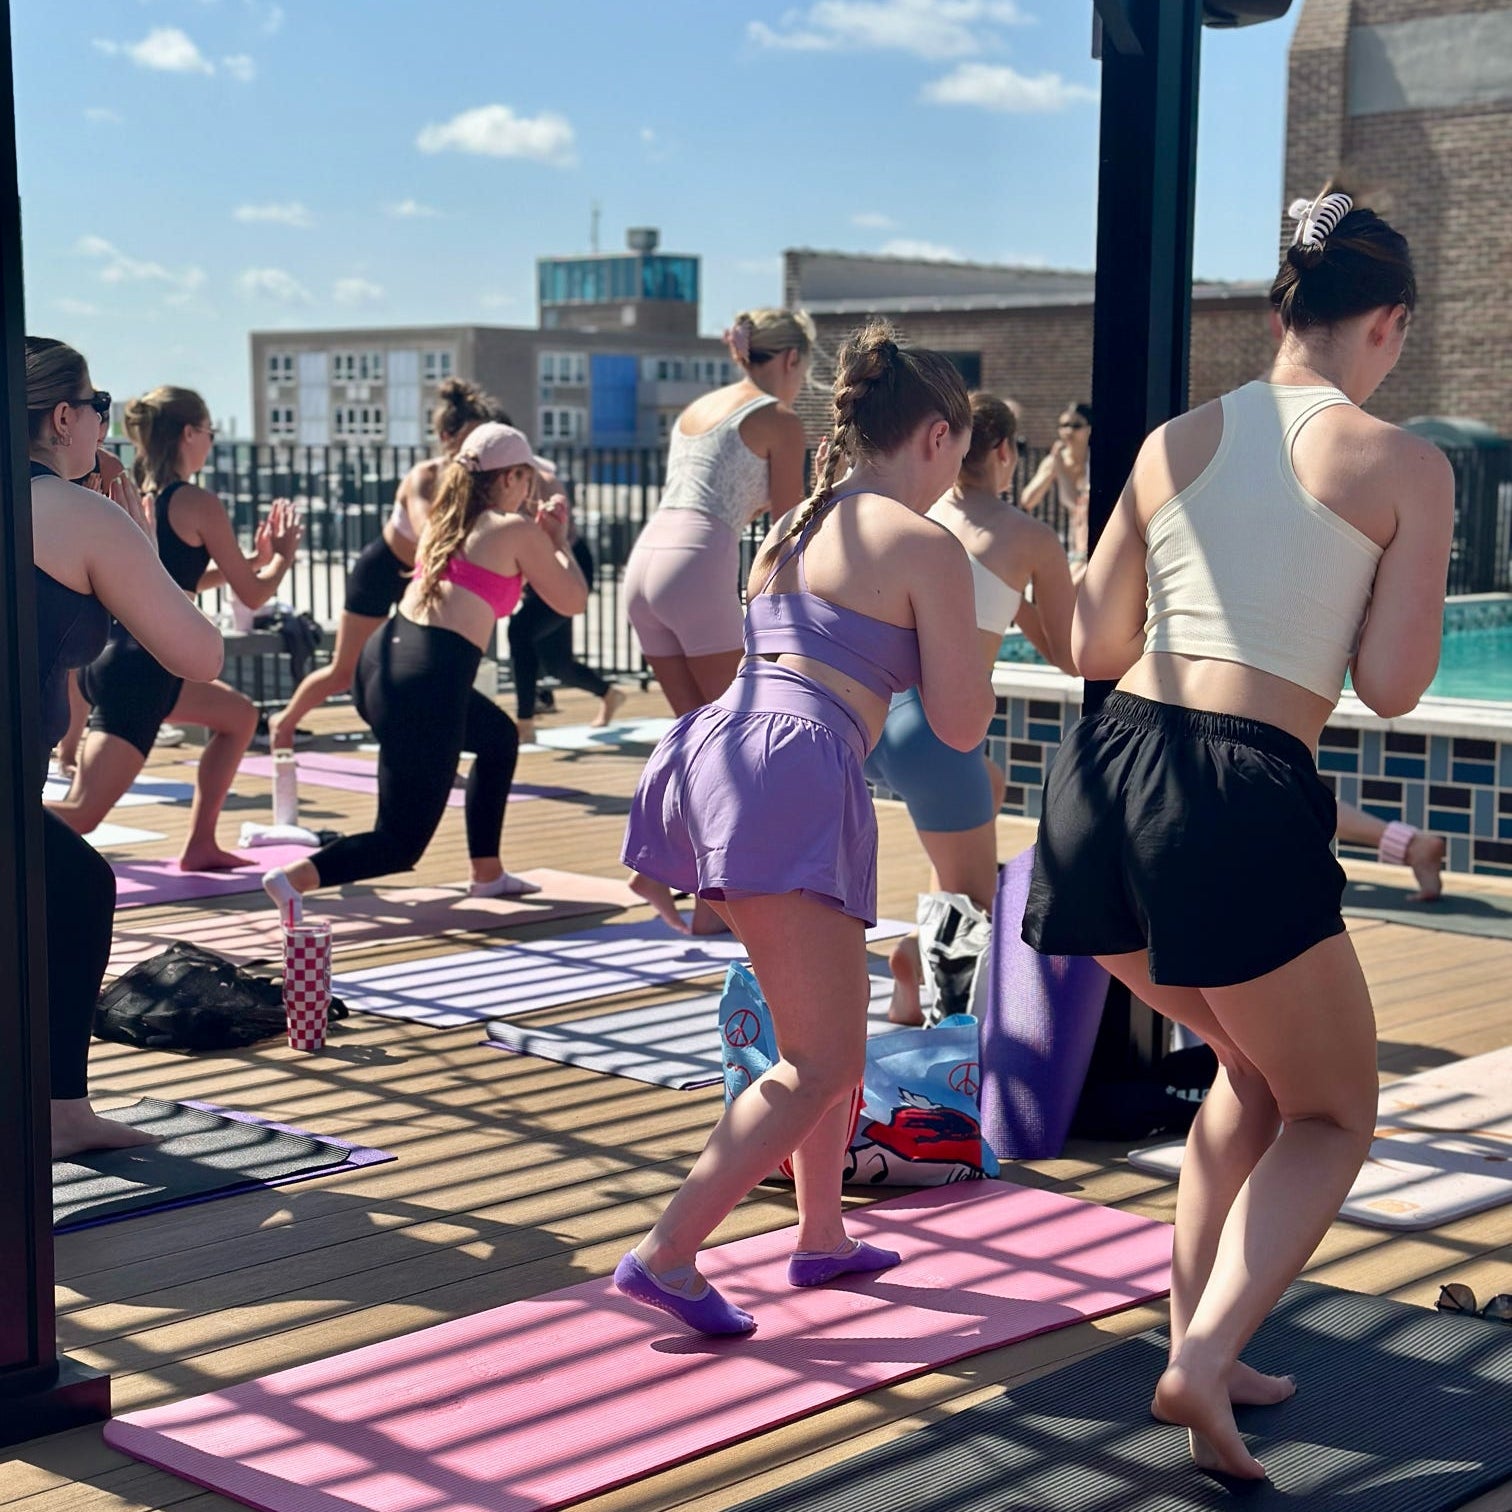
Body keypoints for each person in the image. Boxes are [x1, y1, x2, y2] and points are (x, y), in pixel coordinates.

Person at [1021, 185, 1453, 1479]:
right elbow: (1391, 684)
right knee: (1335, 1111)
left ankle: (1199, 1338)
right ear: (1387, 323)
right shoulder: (1403, 462)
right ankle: (1204, 1360)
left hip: (1100, 785)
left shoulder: (1169, 444)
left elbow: (1096, 644)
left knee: (1252, 1081)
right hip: (1234, 794)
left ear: (1278, 310)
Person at [614, 322, 991, 1336]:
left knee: (826, 1033)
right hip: (794, 773)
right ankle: (668, 1252)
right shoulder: (925, 544)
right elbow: (958, 725)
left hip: (729, 753)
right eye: (959, 451)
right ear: (937, 436)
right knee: (817, 1060)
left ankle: (821, 1236)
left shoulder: (798, 524)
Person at [26, 339, 225, 1157]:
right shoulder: (78, 514)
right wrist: (134, 532)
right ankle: (62, 1113)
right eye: (94, 405)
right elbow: (199, 655)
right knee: (77, 889)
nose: (101, 423)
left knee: (63, 884)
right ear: (66, 417)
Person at [262, 423, 588, 916]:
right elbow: (572, 600)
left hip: (383, 663)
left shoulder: (446, 518)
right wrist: (559, 539)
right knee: (398, 844)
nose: (531, 491)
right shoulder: (514, 530)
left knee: (498, 738)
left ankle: (487, 873)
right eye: (527, 479)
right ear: (509, 478)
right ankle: (293, 879)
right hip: (424, 687)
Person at [866, 391, 1077, 1024]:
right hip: (938, 730)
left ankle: (911, 972)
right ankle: (947, 1026)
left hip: (879, 717)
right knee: (978, 900)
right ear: (1007, 452)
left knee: (986, 788)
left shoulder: (916, 516)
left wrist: (1010, 597)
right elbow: (1069, 654)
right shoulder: (1031, 538)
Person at [48, 385, 301, 870]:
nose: (211, 440)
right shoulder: (199, 503)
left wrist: (250, 561)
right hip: (143, 669)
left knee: (240, 717)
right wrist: (283, 558)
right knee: (82, 815)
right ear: (189, 434)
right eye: (209, 431)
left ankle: (201, 844)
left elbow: (175, 576)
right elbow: (253, 594)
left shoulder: (143, 493)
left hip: (121, 654)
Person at [622, 307, 813, 932]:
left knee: (694, 735)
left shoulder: (699, 409)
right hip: (698, 565)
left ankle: (693, 896)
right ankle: (706, 892)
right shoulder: (779, 419)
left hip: (647, 562)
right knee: (735, 741)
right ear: (789, 359)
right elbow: (790, 528)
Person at [268, 379, 500, 749]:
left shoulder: (481, 487)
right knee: (345, 671)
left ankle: (439, 752)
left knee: (438, 675)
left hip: (428, 582)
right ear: (446, 436)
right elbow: (427, 532)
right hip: (383, 570)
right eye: (470, 438)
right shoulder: (424, 476)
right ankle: (283, 722)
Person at [508, 460, 625, 743]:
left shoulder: (545, 482)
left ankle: (525, 722)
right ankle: (610, 694)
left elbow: (551, 539)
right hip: (539, 566)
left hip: (568, 564)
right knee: (557, 663)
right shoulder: (497, 483)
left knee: (520, 630)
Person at [1021, 402, 1092, 569]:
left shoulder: (1092, 459)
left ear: (1089, 429)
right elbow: (1027, 500)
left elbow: (1075, 503)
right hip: (1068, 541)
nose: (1069, 431)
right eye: (1064, 425)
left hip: (1092, 540)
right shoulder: (1055, 460)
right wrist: (1054, 466)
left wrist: (1059, 467)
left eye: (1076, 426)